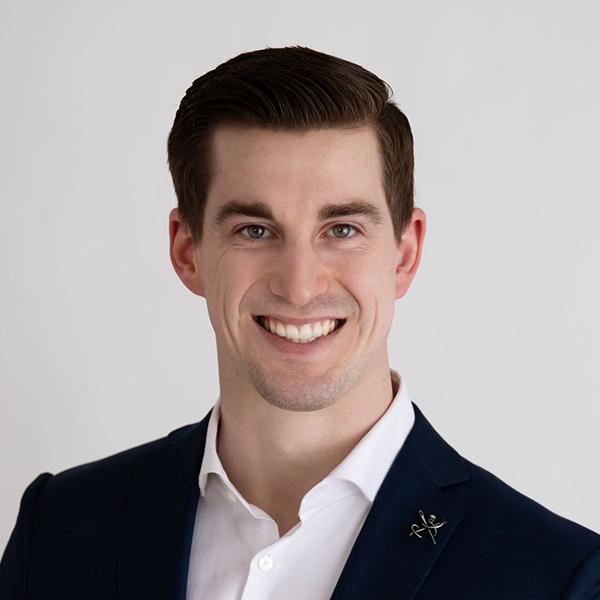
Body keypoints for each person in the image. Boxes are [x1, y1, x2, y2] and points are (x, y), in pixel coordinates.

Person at [1, 45, 599, 600]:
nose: (300, 285)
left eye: (342, 229)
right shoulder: (58, 527)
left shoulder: (556, 579)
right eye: (254, 230)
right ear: (187, 251)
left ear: (405, 253)